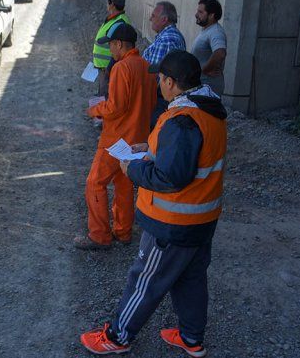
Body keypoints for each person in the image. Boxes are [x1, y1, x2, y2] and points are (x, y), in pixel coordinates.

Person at [79, 50, 227, 357]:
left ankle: (118, 337)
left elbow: (170, 177)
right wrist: (149, 146)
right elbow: (190, 155)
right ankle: (191, 337)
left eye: (161, 79)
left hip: (173, 224)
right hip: (202, 219)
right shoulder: (208, 109)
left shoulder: (182, 120)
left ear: (172, 83)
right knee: (190, 279)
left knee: (145, 280)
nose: (159, 84)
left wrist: (133, 168)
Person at [74, 23, 158, 250]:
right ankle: (123, 232)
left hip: (115, 140)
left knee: (95, 183)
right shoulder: (147, 67)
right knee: (123, 185)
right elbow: (149, 105)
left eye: (111, 45)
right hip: (137, 139)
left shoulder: (122, 68)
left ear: (119, 44)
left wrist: (95, 110)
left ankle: (99, 235)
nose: (110, 49)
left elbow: (115, 107)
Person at [142, 1, 187, 129]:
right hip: (166, 96)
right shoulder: (172, 36)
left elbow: (154, 76)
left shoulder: (166, 40)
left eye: (154, 16)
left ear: (164, 19)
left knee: (155, 131)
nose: (150, 18)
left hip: (160, 98)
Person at [93, 0, 131, 99]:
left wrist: (111, 65)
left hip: (109, 65)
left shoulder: (119, 22)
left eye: (108, 2)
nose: (107, 4)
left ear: (112, 4)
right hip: (104, 64)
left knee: (107, 94)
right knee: (103, 91)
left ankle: (103, 114)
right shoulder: (114, 19)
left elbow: (119, 48)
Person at [192, 0, 227, 95]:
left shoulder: (216, 32)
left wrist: (205, 69)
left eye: (200, 12)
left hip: (208, 87)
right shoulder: (207, 30)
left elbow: (220, 53)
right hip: (203, 86)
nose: (196, 15)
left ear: (211, 15)